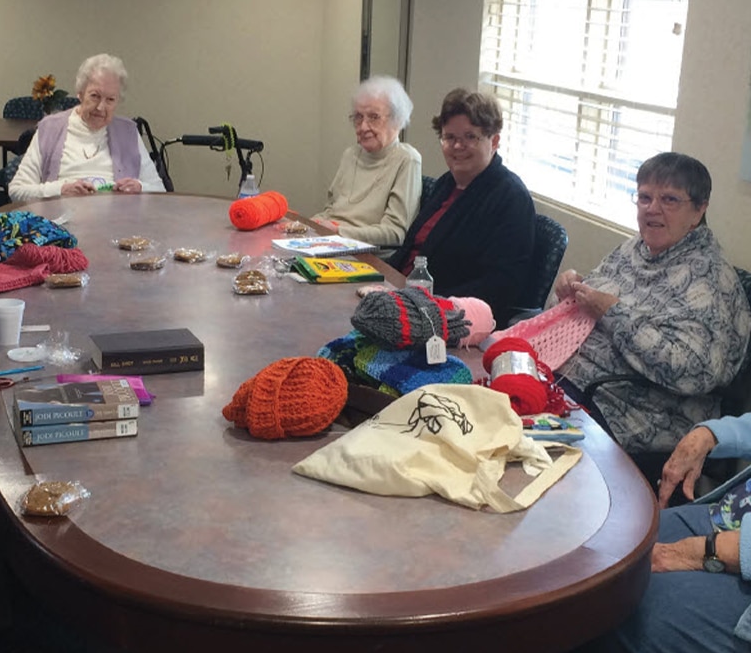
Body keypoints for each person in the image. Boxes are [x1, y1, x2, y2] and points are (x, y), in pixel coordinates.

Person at [556, 152, 750, 479]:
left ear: (699, 208)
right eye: (644, 197)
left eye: (670, 199)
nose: (652, 208)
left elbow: (695, 371)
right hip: (572, 378)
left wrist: (611, 312)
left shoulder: (710, 281)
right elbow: (597, 291)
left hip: (636, 411)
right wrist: (572, 287)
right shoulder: (636, 248)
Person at [534, 413, 751, 653]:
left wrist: (700, 551)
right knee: (586, 552)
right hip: (732, 515)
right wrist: (711, 434)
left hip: (740, 550)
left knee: (630, 613)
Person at [386, 88, 534, 324]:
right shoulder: (447, 183)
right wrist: (378, 281)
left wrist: (429, 305)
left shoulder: (511, 198)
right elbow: (410, 251)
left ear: (494, 141)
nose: (457, 146)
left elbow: (501, 286)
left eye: (470, 137)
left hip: (447, 318)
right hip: (405, 299)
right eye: (450, 137)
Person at [8, 53, 166, 202]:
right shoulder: (50, 129)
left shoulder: (128, 132)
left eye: (110, 99)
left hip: (118, 223)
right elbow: (17, 190)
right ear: (80, 93)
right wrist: (60, 190)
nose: (101, 107)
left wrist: (140, 187)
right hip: (61, 223)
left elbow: (160, 190)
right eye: (95, 96)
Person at [312, 75, 422, 247]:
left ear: (397, 120)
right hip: (330, 244)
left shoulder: (407, 160)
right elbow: (330, 211)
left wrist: (339, 232)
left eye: (373, 117)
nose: (363, 127)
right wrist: (307, 226)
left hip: (368, 256)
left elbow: (395, 233)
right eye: (358, 117)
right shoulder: (351, 155)